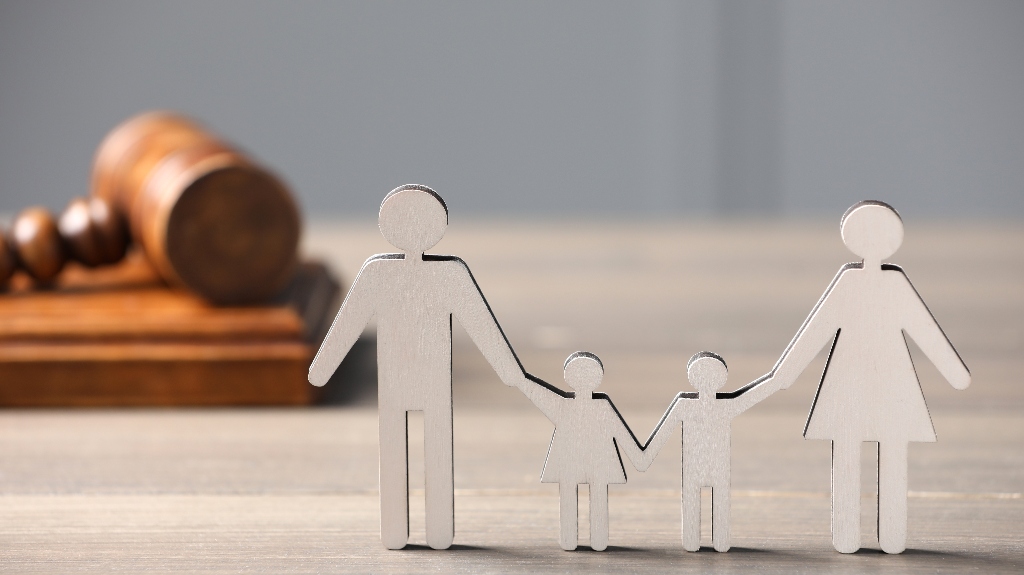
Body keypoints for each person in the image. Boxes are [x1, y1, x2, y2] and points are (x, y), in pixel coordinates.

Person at [308, 185, 529, 550]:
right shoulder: (393, 273)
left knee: (423, 449)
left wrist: (509, 370)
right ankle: (413, 531)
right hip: (406, 378)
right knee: (408, 449)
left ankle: (422, 531)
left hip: (424, 378)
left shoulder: (428, 274)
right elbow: (348, 322)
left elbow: (481, 325)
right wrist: (509, 371)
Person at [769, 200, 970, 554]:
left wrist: (784, 375)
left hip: (882, 382)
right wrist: (784, 372)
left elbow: (925, 331)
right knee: (857, 450)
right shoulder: (854, 282)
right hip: (863, 383)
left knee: (880, 451)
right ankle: (857, 534)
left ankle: (884, 535)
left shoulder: (891, 283)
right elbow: (818, 328)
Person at [642, 352, 782, 552]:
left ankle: (717, 541)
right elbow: (662, 432)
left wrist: (777, 380)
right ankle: (699, 541)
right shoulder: (686, 404)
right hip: (697, 466)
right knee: (695, 500)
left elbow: (754, 394)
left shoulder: (723, 404)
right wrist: (645, 456)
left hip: (716, 466)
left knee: (716, 501)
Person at [513, 352, 651, 551]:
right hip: (582, 461)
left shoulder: (594, 406)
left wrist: (641, 457)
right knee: (576, 495)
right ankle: (582, 539)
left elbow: (620, 432)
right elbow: (535, 391)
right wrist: (641, 457)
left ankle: (591, 539)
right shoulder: (569, 404)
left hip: (591, 461)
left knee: (590, 495)